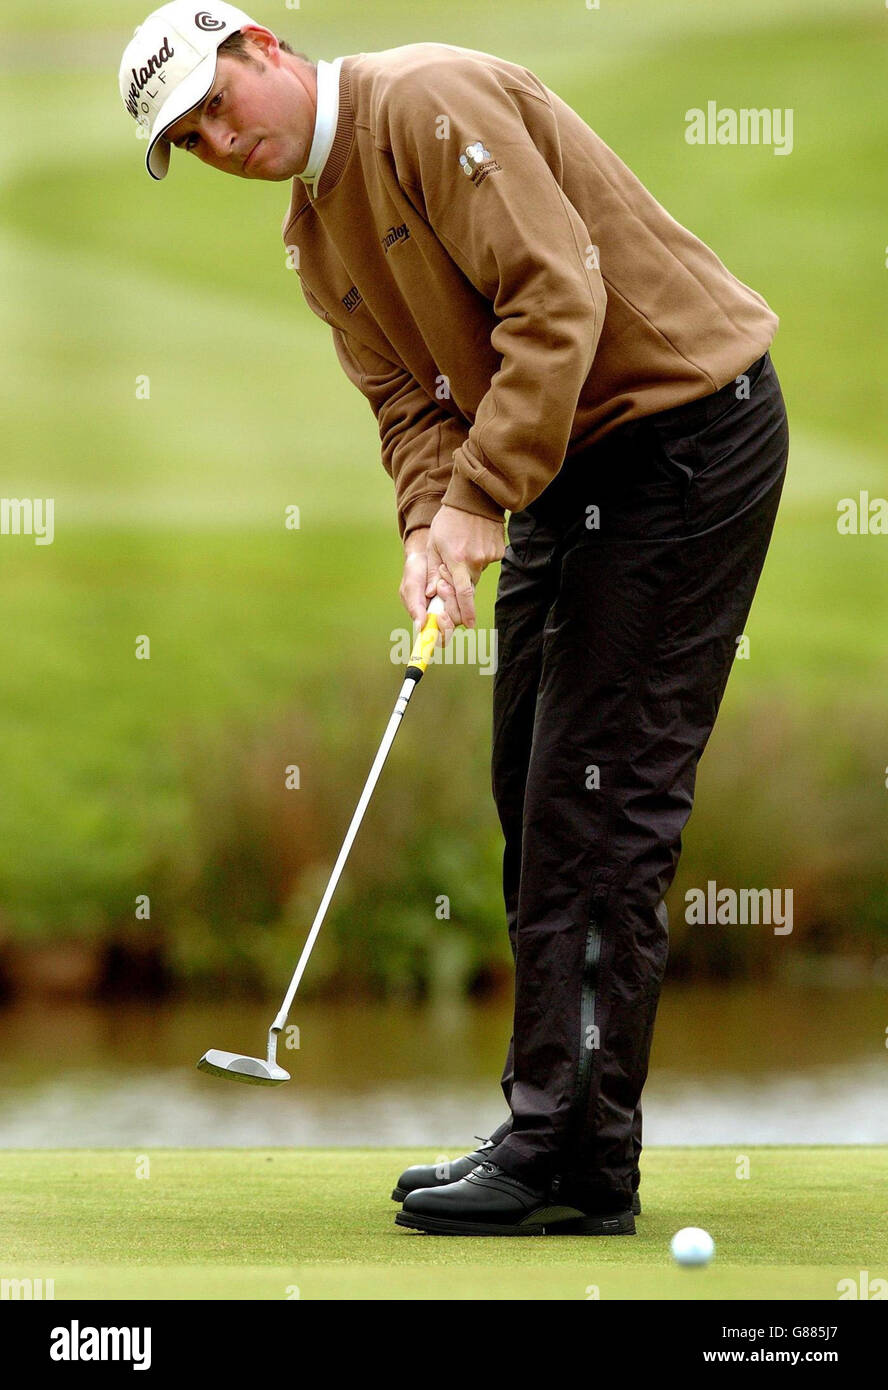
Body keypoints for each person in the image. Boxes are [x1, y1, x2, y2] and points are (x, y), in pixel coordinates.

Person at [120, 2, 789, 1236]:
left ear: (266, 46)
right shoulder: (313, 238)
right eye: (193, 139)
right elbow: (410, 408)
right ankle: (559, 1128)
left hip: (683, 438)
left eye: (219, 101)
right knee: (530, 787)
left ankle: (571, 1162)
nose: (222, 137)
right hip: (563, 467)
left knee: (597, 809)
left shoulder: (427, 101)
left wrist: (483, 494)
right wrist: (433, 527)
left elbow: (558, 302)